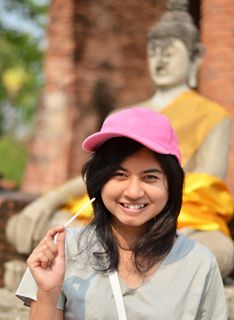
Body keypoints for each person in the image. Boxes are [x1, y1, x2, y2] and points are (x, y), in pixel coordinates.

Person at [6, 0, 234, 278]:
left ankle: (117, 263)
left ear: (196, 57)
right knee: (49, 226)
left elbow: (206, 183)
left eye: (170, 52)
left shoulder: (212, 115)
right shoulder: (122, 116)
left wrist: (155, 206)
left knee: (214, 251)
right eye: (154, 52)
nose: (160, 60)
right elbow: (100, 175)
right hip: (113, 214)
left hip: (180, 216)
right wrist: (46, 201)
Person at [16, 107, 227, 320]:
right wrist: (47, 292)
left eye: (150, 177)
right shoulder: (64, 251)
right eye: (119, 174)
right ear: (100, 180)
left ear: (172, 185)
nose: (134, 192)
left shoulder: (198, 263)